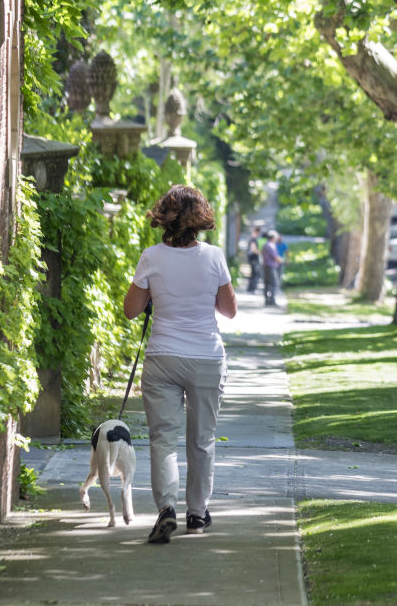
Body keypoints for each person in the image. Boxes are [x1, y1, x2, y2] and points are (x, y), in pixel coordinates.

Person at [123, 185, 237, 544]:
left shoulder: (151, 257)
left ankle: (166, 509)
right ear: (200, 217)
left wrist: (158, 295)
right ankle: (198, 514)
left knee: (163, 440)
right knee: (201, 441)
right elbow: (229, 310)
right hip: (206, 357)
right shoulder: (214, 257)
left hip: (163, 358)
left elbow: (130, 310)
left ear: (164, 216)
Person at [261, 229, 282, 307]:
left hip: (266, 266)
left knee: (267, 284)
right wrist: (282, 260)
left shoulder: (266, 245)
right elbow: (275, 257)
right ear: (273, 238)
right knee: (273, 284)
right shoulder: (270, 245)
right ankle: (272, 301)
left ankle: (267, 300)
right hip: (271, 267)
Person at [246, 226, 262, 293]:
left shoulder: (251, 238)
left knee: (253, 274)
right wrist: (261, 252)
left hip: (251, 259)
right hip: (254, 259)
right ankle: (252, 289)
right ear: (257, 232)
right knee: (256, 274)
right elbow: (254, 250)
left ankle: (250, 289)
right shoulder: (253, 239)